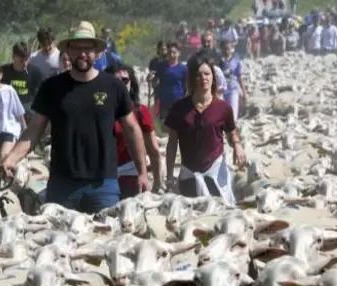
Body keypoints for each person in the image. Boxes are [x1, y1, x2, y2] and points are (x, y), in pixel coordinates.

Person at [0, 21, 148, 213]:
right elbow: (34, 130)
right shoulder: (52, 87)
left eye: (88, 48)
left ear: (97, 52)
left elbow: (132, 129)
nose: (82, 53)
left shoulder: (113, 87)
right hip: (62, 186)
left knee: (106, 241)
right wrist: (12, 158)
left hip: (103, 186)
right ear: (68, 50)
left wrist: (142, 172)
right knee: (57, 241)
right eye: (77, 47)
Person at [164, 57, 247, 204]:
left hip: (215, 173)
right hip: (189, 174)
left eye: (207, 74)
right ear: (192, 79)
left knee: (220, 216)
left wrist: (237, 145)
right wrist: (169, 176)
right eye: (198, 75)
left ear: (213, 78)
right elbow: (172, 143)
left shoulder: (223, 108)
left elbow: (231, 131)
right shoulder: (180, 108)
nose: (203, 78)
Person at [105, 63, 163, 198]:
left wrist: (157, 182)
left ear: (131, 83)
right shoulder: (99, 112)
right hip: (104, 179)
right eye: (115, 81)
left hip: (131, 177)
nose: (120, 84)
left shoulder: (140, 112)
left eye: (125, 80)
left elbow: (153, 150)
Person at [0, 42, 43, 123]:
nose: (25, 64)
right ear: (13, 57)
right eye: (21, 60)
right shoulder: (4, 71)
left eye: (27, 60)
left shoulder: (35, 72)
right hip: (9, 109)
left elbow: (38, 96)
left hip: (28, 110)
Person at [219, 40, 247, 123]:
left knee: (233, 115)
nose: (226, 51)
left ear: (232, 49)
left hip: (233, 90)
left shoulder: (236, 60)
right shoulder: (217, 60)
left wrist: (244, 92)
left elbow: (240, 76)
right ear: (221, 49)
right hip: (220, 90)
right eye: (224, 49)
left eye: (228, 48)